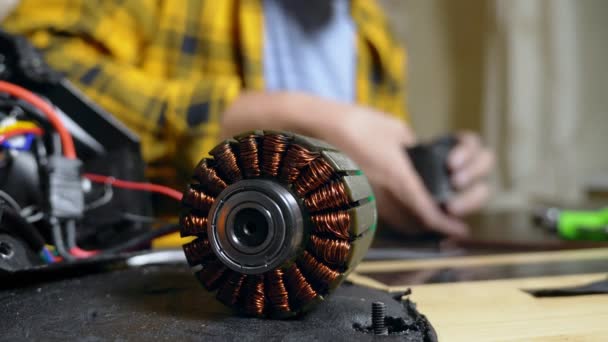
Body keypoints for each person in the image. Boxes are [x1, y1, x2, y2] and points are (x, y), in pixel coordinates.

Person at [3, 0, 493, 237]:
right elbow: (30, 63)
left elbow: (377, 172)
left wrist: (430, 178)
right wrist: (292, 120)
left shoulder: (374, 34)